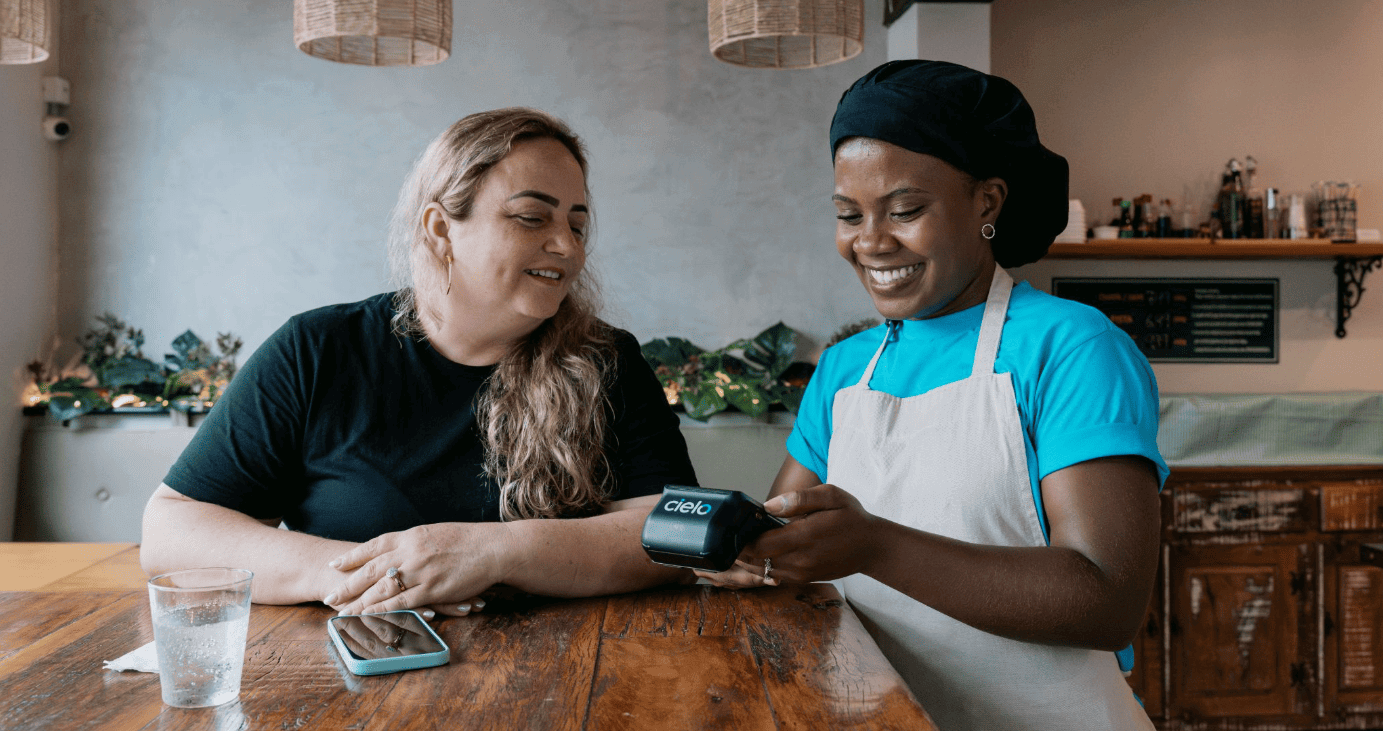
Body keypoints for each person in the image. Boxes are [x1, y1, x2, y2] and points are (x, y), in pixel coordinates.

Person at [697, 61, 1167, 730]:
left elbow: (1107, 599)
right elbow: (796, 543)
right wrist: (755, 556)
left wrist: (873, 547)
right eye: (847, 214)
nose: (869, 242)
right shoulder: (842, 369)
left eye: (905, 210)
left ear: (986, 203)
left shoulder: (1070, 347)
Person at [141, 108, 698, 619]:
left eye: (576, 225)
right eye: (532, 217)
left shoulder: (608, 361)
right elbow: (173, 531)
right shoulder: (318, 349)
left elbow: (669, 537)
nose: (569, 247)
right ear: (440, 229)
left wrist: (488, 553)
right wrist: (376, 572)